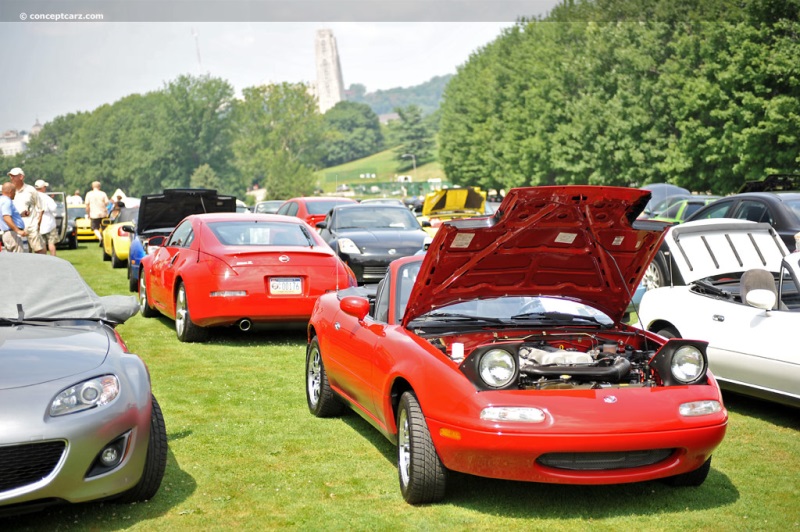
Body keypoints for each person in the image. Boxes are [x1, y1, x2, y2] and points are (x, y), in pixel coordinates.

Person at [8, 167, 44, 253]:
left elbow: (40, 207)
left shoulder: (30, 190)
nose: (11, 178)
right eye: (11, 176)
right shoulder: (9, 190)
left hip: (31, 226)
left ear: (21, 177)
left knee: (38, 250)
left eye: (14, 176)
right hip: (16, 228)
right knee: (22, 253)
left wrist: (38, 223)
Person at [0, 182, 28, 252]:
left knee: (12, 259)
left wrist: (20, 215)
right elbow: (6, 217)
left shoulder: (1, 200)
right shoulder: (7, 201)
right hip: (12, 234)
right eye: (14, 192)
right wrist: (18, 231)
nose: (15, 194)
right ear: (10, 191)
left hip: (7, 233)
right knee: (19, 259)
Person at [34, 179, 59, 256]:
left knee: (42, 244)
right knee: (51, 243)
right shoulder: (47, 198)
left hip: (36, 222)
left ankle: (44, 260)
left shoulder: (32, 196)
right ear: (43, 188)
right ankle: (54, 259)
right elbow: (54, 208)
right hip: (49, 223)